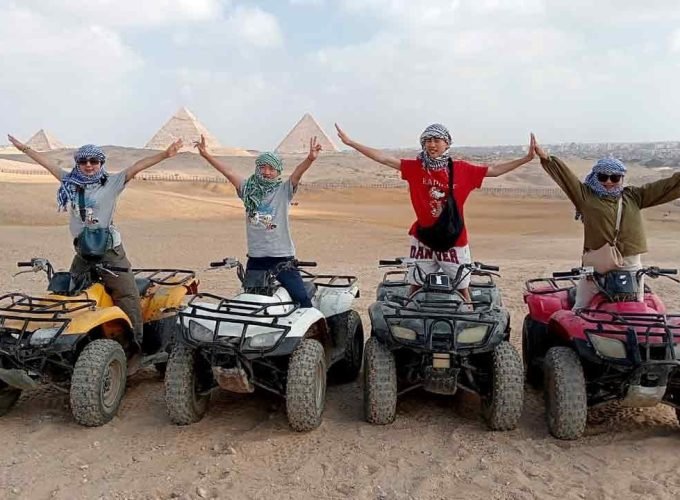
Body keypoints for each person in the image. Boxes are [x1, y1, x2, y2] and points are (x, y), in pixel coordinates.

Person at [7, 134, 182, 345]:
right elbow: (46, 163)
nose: (88, 165)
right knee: (66, 294)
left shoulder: (112, 182)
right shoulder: (69, 182)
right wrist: (24, 148)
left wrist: (165, 154)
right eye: (83, 161)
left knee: (127, 295)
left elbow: (137, 166)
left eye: (93, 161)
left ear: (101, 163)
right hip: (83, 251)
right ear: (78, 163)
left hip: (110, 251)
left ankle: (135, 344)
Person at [335, 123, 535, 301]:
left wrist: (526, 158)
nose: (432, 144)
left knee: (463, 288)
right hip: (424, 237)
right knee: (416, 283)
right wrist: (351, 143)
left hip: (453, 239)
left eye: (437, 140)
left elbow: (494, 170)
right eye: (428, 140)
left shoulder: (462, 169)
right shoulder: (415, 168)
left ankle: (468, 317)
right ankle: (409, 316)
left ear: (447, 144)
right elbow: (385, 159)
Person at [533, 139, 680, 309]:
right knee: (581, 307)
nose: (609, 182)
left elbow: (664, 188)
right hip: (597, 263)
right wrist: (546, 157)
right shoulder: (586, 197)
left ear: (621, 178)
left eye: (615, 177)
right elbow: (567, 179)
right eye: (603, 177)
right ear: (596, 177)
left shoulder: (633, 196)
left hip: (630, 262)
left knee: (636, 307)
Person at [194, 134, 321, 307]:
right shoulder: (248, 189)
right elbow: (229, 172)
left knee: (302, 299)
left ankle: (320, 331)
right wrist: (206, 155)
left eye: (271, 169)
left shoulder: (284, 191)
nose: (266, 172)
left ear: (278, 171)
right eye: (263, 167)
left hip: (282, 258)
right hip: (256, 258)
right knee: (252, 302)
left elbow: (297, 175)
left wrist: (310, 159)